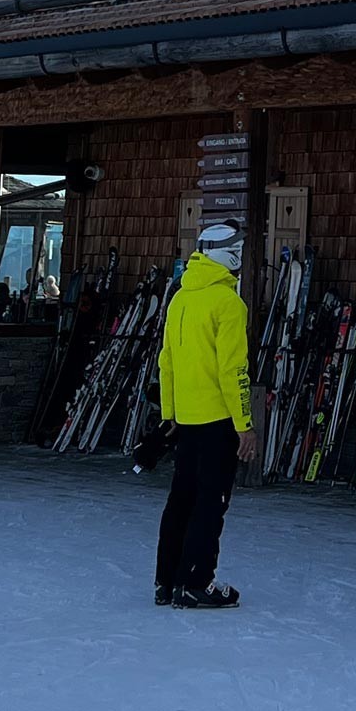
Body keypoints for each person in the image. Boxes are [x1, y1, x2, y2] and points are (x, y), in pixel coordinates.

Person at [154, 220, 253, 609]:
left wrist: (169, 413)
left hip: (186, 418)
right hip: (218, 420)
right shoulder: (228, 303)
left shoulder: (180, 298)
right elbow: (234, 370)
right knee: (211, 503)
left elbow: (166, 361)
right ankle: (196, 581)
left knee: (181, 499)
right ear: (230, 255)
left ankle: (167, 581)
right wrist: (245, 425)